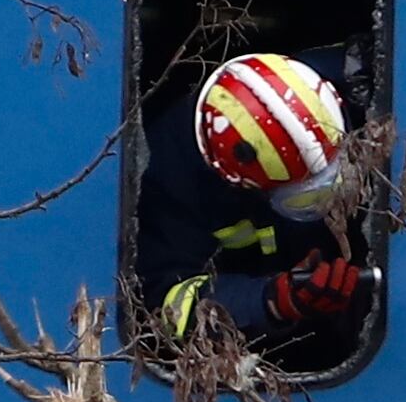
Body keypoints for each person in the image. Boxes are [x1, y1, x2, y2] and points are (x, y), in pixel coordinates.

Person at [135, 50, 373, 350]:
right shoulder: (167, 176)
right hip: (278, 341)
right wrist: (272, 301)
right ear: (239, 181)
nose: (329, 201)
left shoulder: (352, 78)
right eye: (302, 197)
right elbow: (166, 304)